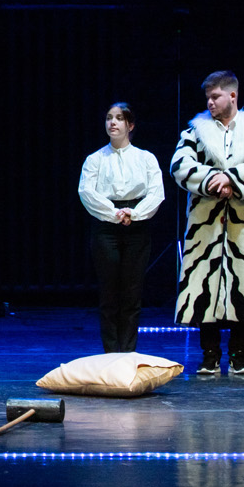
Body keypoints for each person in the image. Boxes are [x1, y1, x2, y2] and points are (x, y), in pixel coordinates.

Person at [171, 71, 244, 375]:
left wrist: (232, 179)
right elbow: (180, 165)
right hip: (206, 223)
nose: (210, 102)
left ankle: (238, 354)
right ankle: (209, 354)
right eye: (208, 97)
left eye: (215, 96)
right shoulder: (196, 131)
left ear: (232, 95)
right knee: (205, 286)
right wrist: (213, 181)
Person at [77, 102, 165, 352]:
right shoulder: (95, 159)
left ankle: (127, 351)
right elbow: (87, 192)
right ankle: (111, 352)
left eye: (118, 118)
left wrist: (134, 213)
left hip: (137, 225)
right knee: (109, 292)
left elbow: (156, 193)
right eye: (109, 118)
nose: (112, 123)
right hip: (106, 226)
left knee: (132, 291)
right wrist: (114, 213)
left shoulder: (145, 158)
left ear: (130, 125)